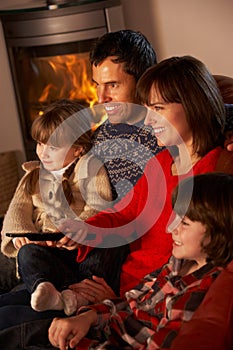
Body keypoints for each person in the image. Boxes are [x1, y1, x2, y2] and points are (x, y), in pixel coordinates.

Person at [58, 55, 227, 296]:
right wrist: (84, 230)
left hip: (144, 297)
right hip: (120, 277)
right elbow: (126, 212)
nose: (148, 120)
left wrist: (117, 302)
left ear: (192, 105)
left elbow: (194, 267)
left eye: (157, 108)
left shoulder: (213, 176)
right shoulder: (161, 161)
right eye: (146, 108)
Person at [40, 173, 233, 349]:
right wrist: (88, 316)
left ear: (218, 232)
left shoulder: (201, 292)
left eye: (184, 223)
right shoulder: (177, 264)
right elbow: (133, 302)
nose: (169, 229)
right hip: (102, 325)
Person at [0, 99, 128, 318]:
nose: (43, 153)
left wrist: (78, 229)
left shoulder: (89, 168)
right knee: (26, 253)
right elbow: (17, 211)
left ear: (77, 149)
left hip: (78, 249)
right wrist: (18, 236)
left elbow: (98, 206)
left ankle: (79, 293)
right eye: (40, 144)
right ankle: (46, 287)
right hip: (47, 249)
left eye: (53, 147)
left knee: (111, 242)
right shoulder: (33, 177)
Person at [90, 29, 162, 200]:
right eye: (97, 85)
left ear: (143, 81)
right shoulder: (97, 140)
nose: (101, 98)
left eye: (112, 85)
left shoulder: (171, 123)